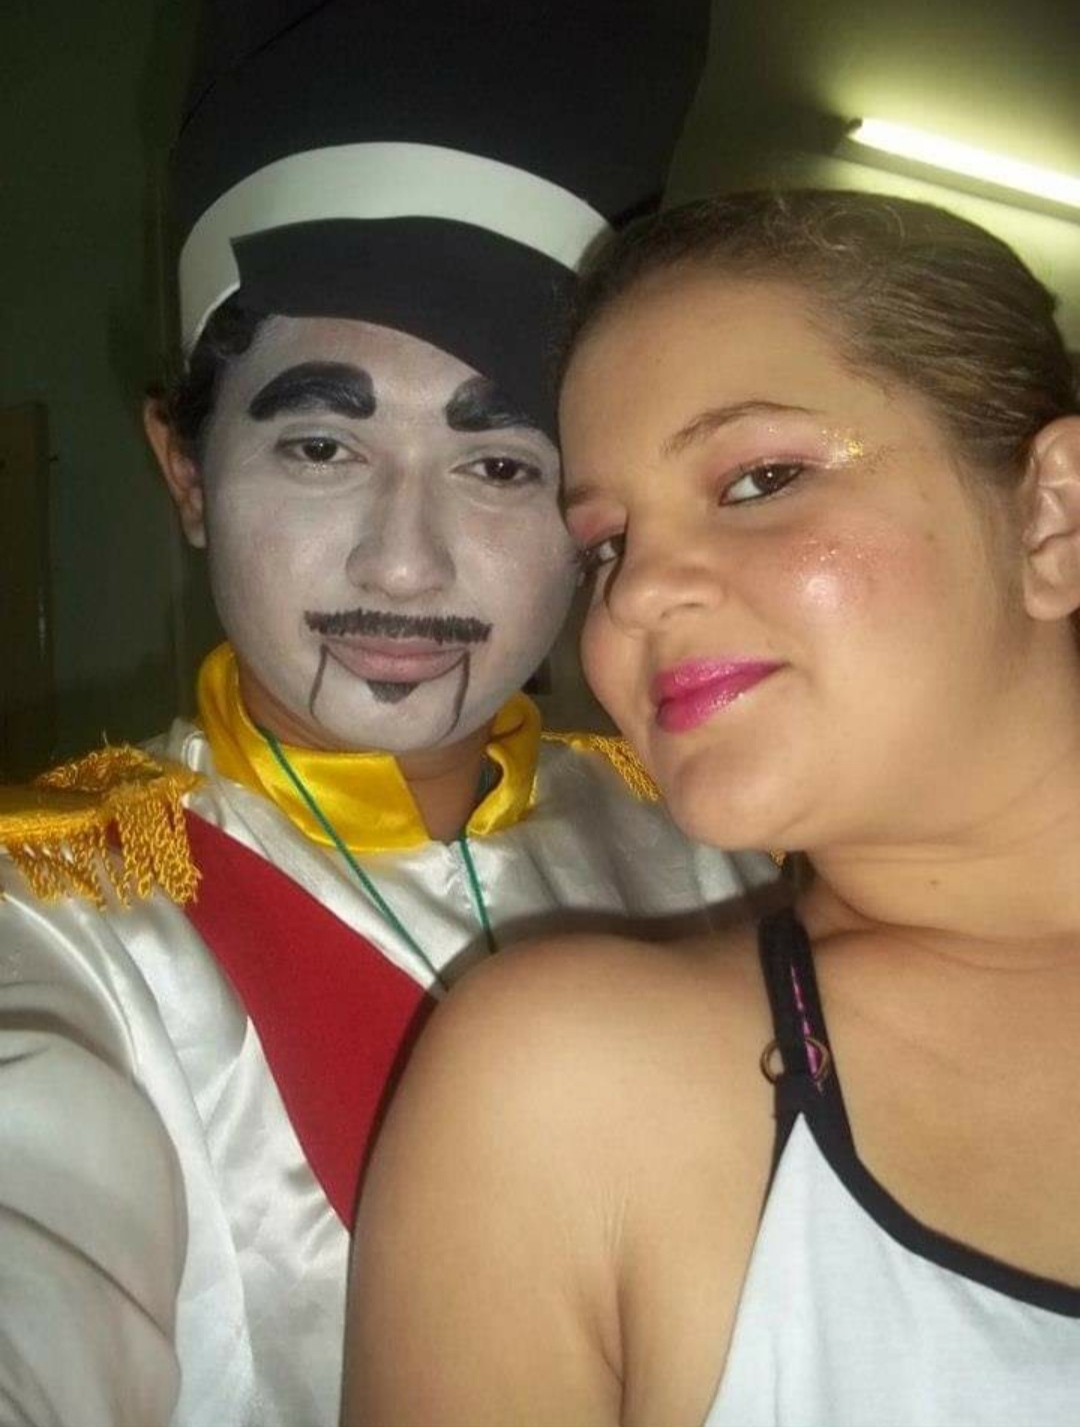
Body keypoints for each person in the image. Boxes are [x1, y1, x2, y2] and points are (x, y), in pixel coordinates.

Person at [0, 5, 773, 1427]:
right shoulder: (68, 918)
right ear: (185, 472)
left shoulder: (725, 831)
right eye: (320, 442)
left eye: (499, 462)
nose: (405, 565)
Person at [343, 189, 1080, 1427]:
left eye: (759, 479)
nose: (635, 596)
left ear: (1052, 517)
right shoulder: (567, 1090)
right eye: (604, 546)